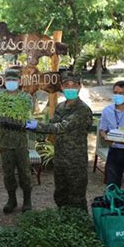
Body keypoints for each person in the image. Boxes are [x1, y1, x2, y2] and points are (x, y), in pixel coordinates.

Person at [26, 71, 92, 211]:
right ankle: (63, 219)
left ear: (79, 87)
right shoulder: (61, 107)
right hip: (60, 156)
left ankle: (80, 224)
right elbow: (52, 124)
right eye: (66, 85)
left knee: (76, 196)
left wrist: (37, 126)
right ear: (61, 87)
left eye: (73, 85)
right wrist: (35, 124)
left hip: (76, 159)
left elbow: (62, 127)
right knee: (60, 193)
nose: (70, 88)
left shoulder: (83, 110)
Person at [0, 68, 32, 213]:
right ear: (4, 81)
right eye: (8, 80)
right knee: (8, 173)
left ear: (19, 81)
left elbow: (27, 115)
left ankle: (27, 200)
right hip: (4, 141)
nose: (11, 82)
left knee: (24, 172)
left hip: (20, 141)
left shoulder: (26, 98)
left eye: (14, 80)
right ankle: (12, 199)